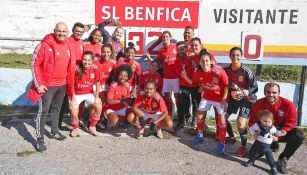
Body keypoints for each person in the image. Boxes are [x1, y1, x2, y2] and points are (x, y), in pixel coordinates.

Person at [27, 22, 76, 152]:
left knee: (57, 109)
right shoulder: (45, 45)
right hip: (47, 86)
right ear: (54, 31)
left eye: (64, 31)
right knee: (43, 112)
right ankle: (39, 139)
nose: (61, 33)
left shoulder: (69, 45)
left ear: (68, 33)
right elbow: (34, 64)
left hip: (63, 84)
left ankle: (54, 131)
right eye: (59, 31)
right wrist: (39, 84)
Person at [249, 82, 306, 174]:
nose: (271, 95)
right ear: (264, 92)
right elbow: (252, 121)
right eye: (268, 92)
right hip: (265, 134)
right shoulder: (258, 103)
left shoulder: (288, 105)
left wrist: (280, 134)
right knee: (252, 155)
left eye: (274, 92)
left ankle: (283, 158)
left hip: (281, 132)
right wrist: (255, 132)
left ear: (279, 93)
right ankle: (273, 146)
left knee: (299, 135)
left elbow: (291, 123)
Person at [191, 50, 229, 155]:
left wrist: (224, 98)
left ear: (211, 61)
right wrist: (203, 88)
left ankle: (222, 142)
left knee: (221, 121)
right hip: (207, 97)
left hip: (220, 99)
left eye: (207, 61)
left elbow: (226, 85)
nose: (205, 63)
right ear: (199, 62)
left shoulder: (218, 70)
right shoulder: (198, 72)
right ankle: (200, 135)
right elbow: (198, 82)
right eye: (202, 61)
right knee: (199, 116)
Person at [224, 47, 258, 157]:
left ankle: (243, 147)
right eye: (233, 55)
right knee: (222, 118)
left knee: (240, 123)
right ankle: (232, 138)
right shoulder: (226, 70)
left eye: (237, 55)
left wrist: (246, 91)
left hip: (247, 100)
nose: (235, 57)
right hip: (234, 99)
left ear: (241, 56)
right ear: (229, 56)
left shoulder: (246, 71)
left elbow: (255, 87)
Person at [59, 22, 85, 129]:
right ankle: (57, 123)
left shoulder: (81, 42)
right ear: (73, 30)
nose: (78, 33)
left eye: (81, 32)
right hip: (67, 75)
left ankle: (78, 120)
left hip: (79, 75)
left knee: (79, 98)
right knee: (63, 99)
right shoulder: (67, 41)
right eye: (77, 31)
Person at [69, 51, 102, 137]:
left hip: (88, 92)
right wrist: (72, 98)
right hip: (76, 93)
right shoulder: (76, 68)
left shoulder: (95, 68)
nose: (86, 62)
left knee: (98, 105)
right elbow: (71, 84)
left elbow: (98, 82)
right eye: (84, 59)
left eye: (89, 60)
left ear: (92, 61)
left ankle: (92, 126)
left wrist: (97, 97)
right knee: (74, 110)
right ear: (81, 59)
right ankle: (75, 127)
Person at [244, 110, 286, 175]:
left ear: (272, 121)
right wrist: (254, 134)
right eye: (264, 121)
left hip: (267, 146)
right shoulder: (257, 125)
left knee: (270, 158)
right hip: (259, 144)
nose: (267, 123)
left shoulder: (272, 128)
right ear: (260, 120)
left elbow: (276, 133)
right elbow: (251, 129)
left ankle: (273, 167)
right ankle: (251, 161)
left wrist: (280, 133)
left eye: (269, 122)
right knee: (254, 154)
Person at [173, 41, 201, 132]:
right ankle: (181, 121)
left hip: (195, 84)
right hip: (184, 84)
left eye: (182, 49)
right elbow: (181, 74)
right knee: (182, 102)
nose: (180, 51)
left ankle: (195, 121)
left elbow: (197, 71)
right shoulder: (177, 61)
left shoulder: (192, 57)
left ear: (186, 48)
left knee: (196, 102)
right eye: (178, 50)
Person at [157, 31, 179, 117]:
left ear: (170, 37)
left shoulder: (175, 47)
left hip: (176, 77)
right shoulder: (161, 51)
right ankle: (168, 114)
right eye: (164, 37)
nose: (165, 38)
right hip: (166, 77)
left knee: (177, 97)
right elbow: (159, 63)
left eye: (167, 36)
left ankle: (179, 115)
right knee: (167, 96)